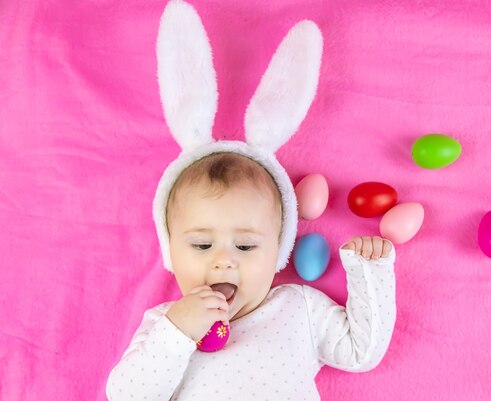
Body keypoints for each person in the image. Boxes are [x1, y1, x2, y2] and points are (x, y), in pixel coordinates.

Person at [106, 1, 397, 399]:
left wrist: (369, 274)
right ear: (170, 249)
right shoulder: (165, 324)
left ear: (278, 250)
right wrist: (178, 331)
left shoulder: (296, 309)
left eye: (245, 245)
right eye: (201, 244)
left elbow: (360, 352)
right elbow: (126, 394)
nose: (223, 259)